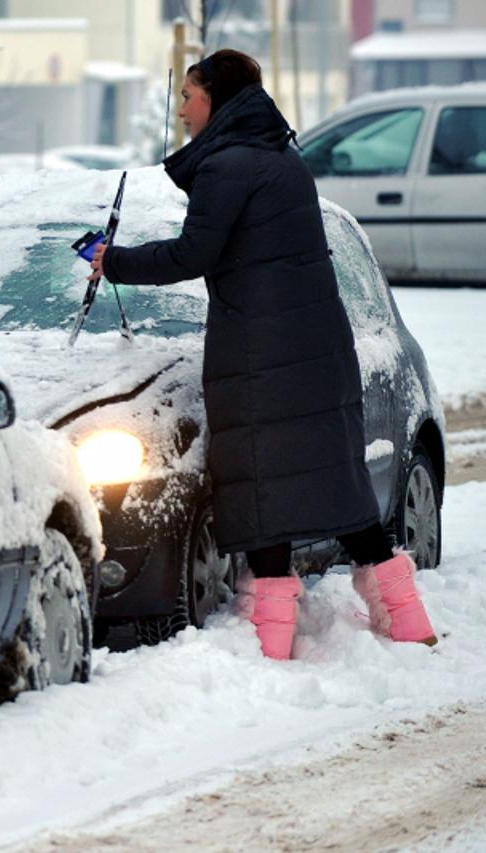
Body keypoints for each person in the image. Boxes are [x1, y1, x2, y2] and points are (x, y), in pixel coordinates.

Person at [88, 50, 437, 660]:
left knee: (259, 494)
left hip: (257, 356)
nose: (182, 110)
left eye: (189, 97)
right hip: (314, 351)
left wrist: (113, 260)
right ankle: (407, 621)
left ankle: (270, 647)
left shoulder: (228, 166)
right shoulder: (283, 158)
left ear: (215, 99)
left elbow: (191, 255)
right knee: (338, 491)